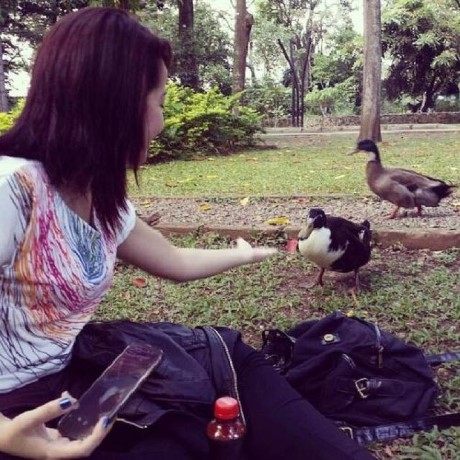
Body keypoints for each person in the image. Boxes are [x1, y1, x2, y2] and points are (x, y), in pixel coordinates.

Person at [0, 7, 376, 460]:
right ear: (115, 104)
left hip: (72, 374)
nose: (160, 123)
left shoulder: (94, 194)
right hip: (19, 411)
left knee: (229, 357)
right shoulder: (13, 189)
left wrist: (244, 255)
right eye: (157, 104)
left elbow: (173, 261)